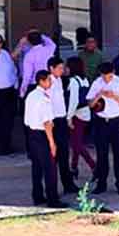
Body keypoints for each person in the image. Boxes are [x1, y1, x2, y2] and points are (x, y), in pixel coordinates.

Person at [86, 61, 119, 195]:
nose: (107, 79)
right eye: (104, 77)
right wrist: (99, 95)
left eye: (109, 76)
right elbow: (90, 104)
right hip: (102, 122)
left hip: (117, 122)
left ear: (113, 73)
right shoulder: (97, 83)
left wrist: (115, 96)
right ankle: (101, 184)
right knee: (101, 155)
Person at [24, 70, 67, 209]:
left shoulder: (31, 95)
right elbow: (47, 123)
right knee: (50, 169)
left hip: (31, 133)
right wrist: (52, 143)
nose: (50, 82)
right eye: (48, 80)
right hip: (42, 135)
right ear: (42, 81)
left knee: (36, 167)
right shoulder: (43, 98)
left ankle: (37, 195)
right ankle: (52, 199)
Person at [46, 56, 78, 194]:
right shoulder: (48, 82)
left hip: (62, 120)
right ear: (51, 68)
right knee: (53, 157)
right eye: (59, 68)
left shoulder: (59, 80)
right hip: (53, 122)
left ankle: (68, 184)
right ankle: (51, 189)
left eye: (62, 67)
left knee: (64, 155)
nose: (62, 70)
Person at [65, 56, 95, 178]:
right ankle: (74, 167)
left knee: (77, 144)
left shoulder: (73, 81)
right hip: (85, 113)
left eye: (67, 66)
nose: (65, 69)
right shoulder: (85, 80)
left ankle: (94, 167)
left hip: (77, 115)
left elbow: (73, 101)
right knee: (75, 141)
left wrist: (69, 117)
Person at [19, 31, 56, 98]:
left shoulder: (29, 55)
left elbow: (27, 75)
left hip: (36, 84)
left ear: (29, 42)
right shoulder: (49, 49)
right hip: (49, 81)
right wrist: (41, 35)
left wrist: (22, 91)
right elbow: (52, 43)